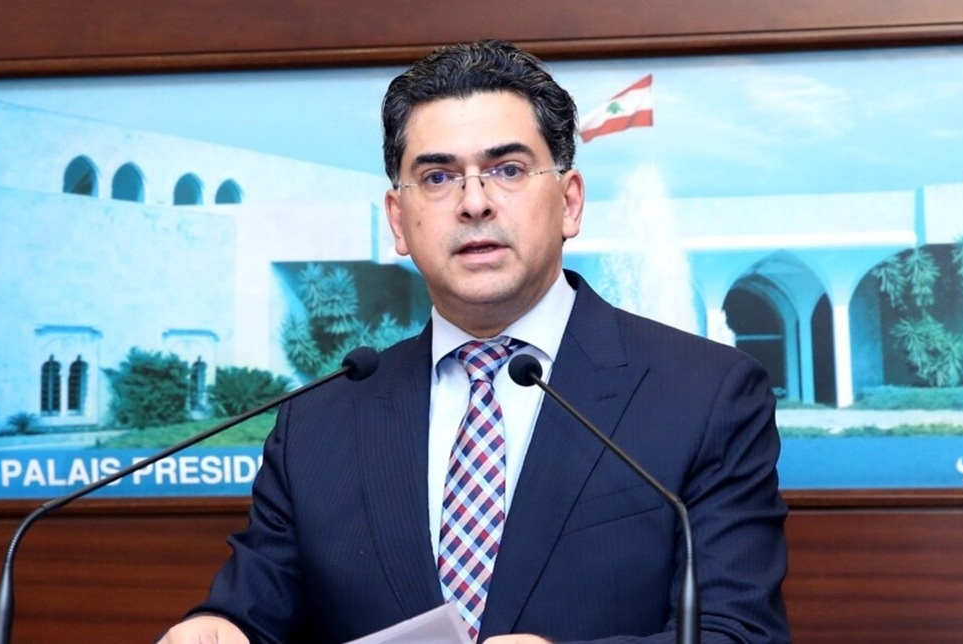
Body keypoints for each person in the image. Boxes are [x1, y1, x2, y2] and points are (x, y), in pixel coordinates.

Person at [160, 40, 789, 643]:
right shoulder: (317, 423)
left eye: (507, 169)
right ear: (398, 220)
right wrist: (218, 629)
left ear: (570, 202)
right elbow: (252, 614)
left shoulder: (705, 394)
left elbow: (739, 633)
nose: (474, 203)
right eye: (437, 177)